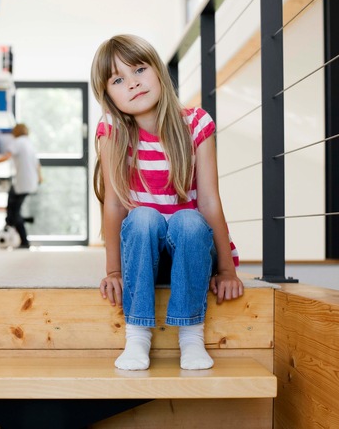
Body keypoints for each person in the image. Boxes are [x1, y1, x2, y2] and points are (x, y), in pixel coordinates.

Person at [91, 34, 243, 371]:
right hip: (143, 253)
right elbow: (114, 206)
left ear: (158, 70)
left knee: (188, 221)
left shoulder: (196, 123)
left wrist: (226, 268)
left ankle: (191, 335)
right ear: (109, 96)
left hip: (190, 249)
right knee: (143, 216)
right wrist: (114, 270)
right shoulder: (112, 129)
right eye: (118, 79)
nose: (133, 83)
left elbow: (209, 201)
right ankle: (137, 335)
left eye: (139, 70)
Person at [0, 123, 42, 249]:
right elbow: (37, 164)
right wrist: (39, 178)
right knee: (13, 211)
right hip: (29, 182)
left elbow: (7, 156)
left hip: (22, 182)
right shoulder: (29, 144)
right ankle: (19, 236)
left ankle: (24, 241)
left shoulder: (17, 142)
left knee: (14, 213)